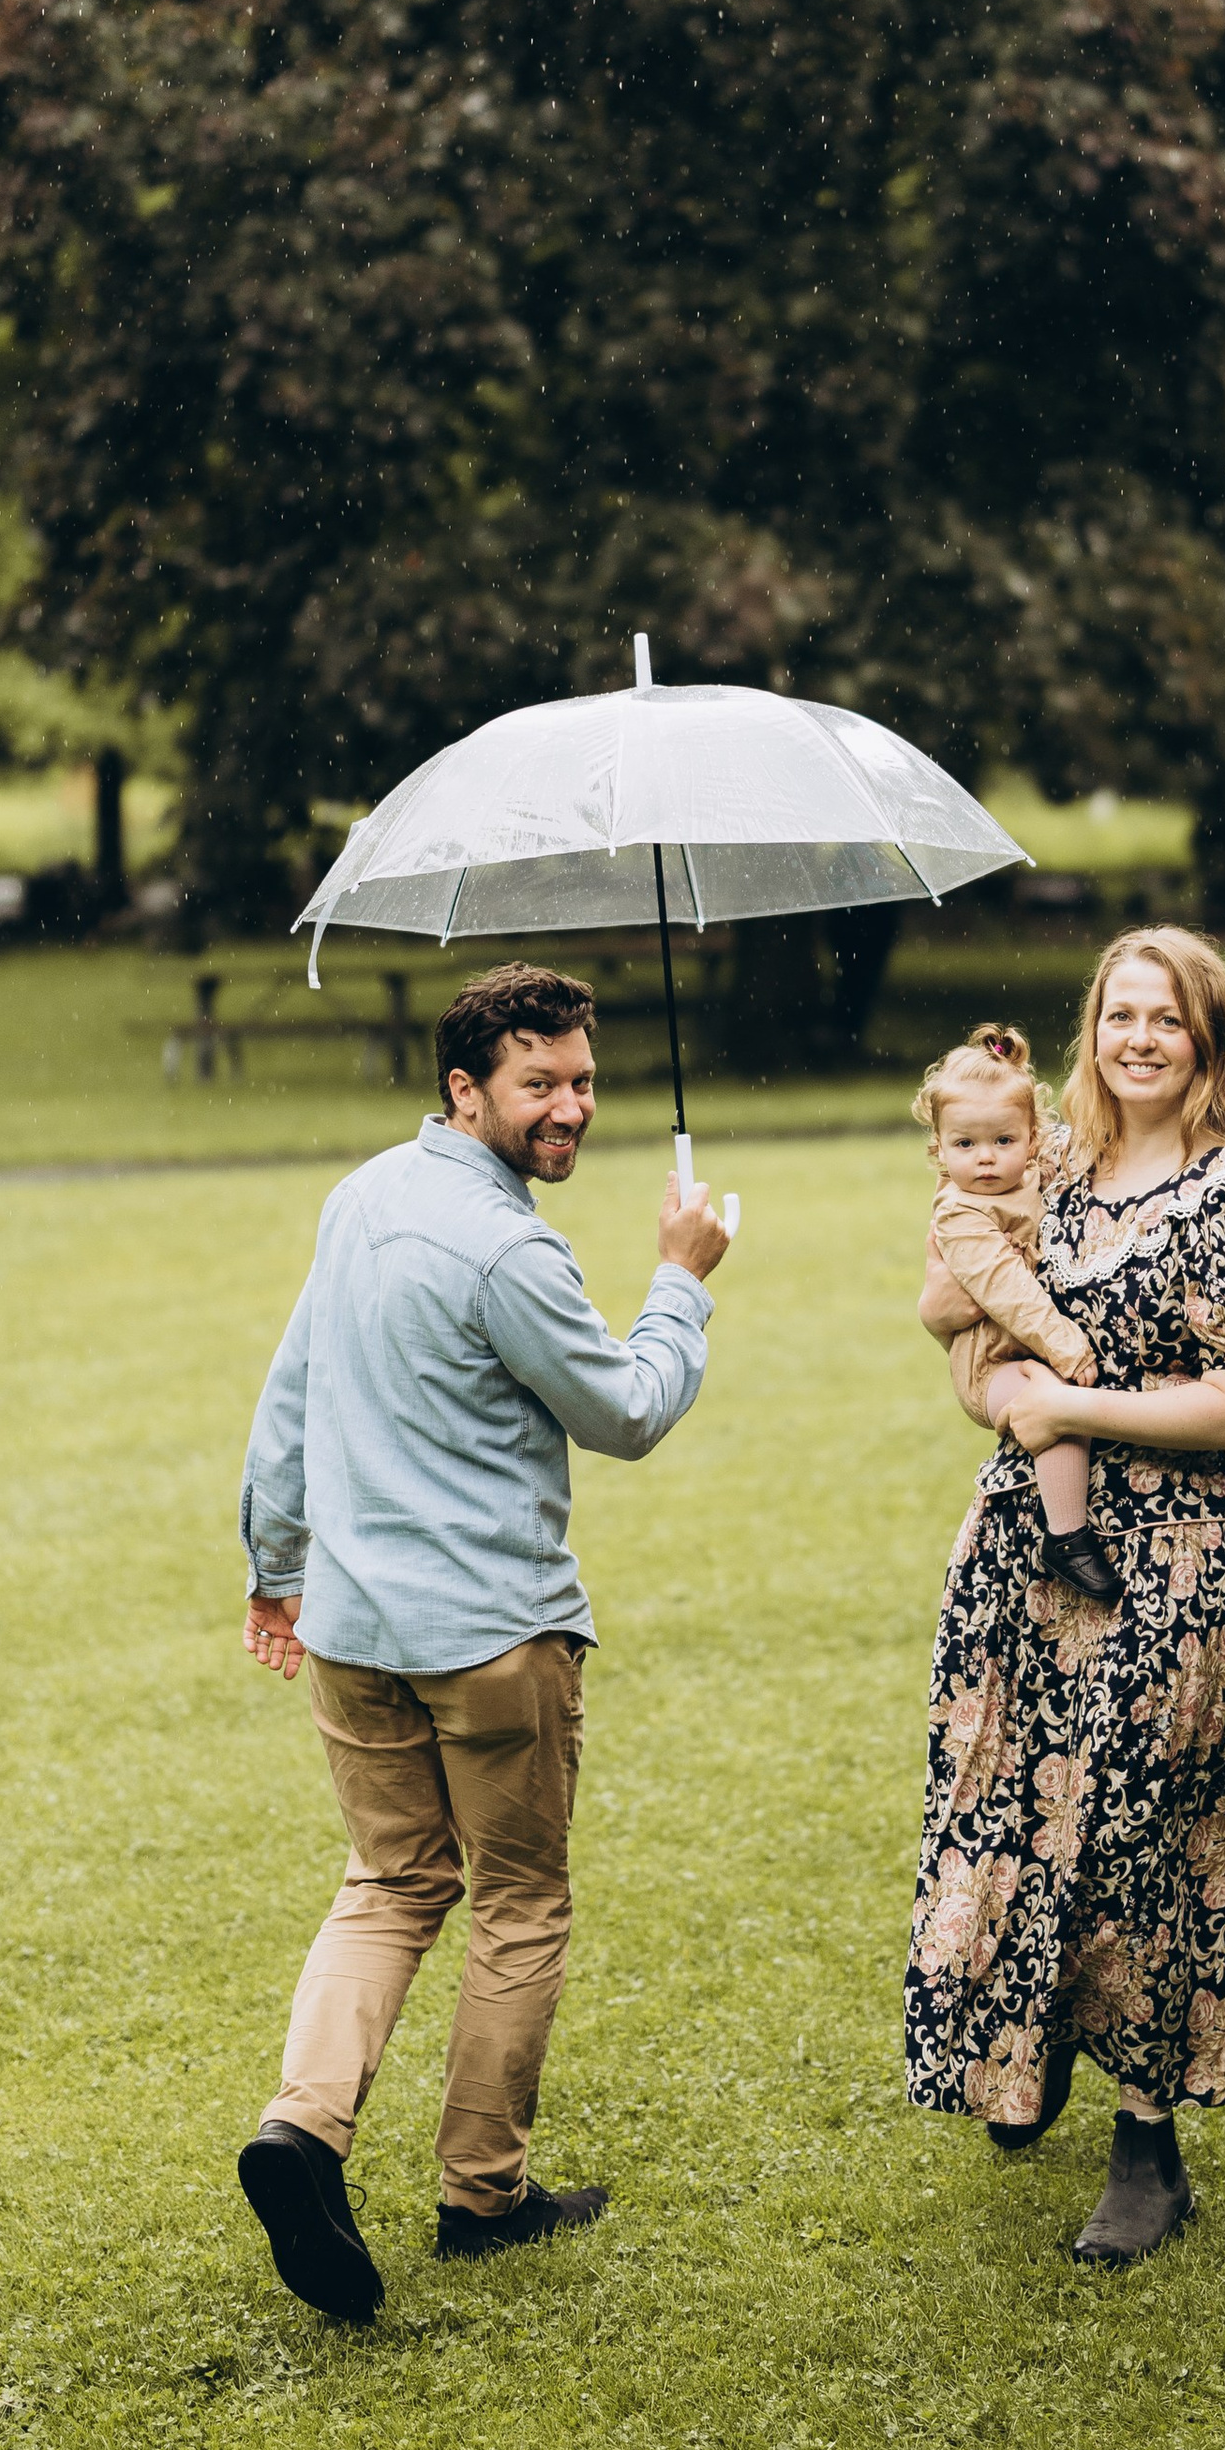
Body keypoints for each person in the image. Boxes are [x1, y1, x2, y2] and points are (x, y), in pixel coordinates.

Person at [234, 959, 731, 2321]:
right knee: (519, 1903)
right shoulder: (510, 1249)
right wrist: (681, 1283)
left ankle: (302, 2129)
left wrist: (274, 1567)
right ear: (467, 1088)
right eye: (540, 1085)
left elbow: (292, 1393)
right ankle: (481, 2198)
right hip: (492, 1640)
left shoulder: (361, 1199)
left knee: (392, 1882)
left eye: (582, 1079)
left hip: (348, 1628)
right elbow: (626, 1410)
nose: (569, 1107)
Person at [902, 925, 1225, 2268]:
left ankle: (1149, 2148)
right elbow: (948, 1304)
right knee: (1017, 1823)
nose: (1138, 1038)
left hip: (1173, 1565)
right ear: (1091, 1032)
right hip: (1026, 1558)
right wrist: (991, 1357)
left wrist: (1070, 1400)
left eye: (1167, 1018)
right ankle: (1021, 2059)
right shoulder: (1057, 1168)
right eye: (1117, 1015)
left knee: (1147, 1841)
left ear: (1208, 1041)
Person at [911, 1021, 1118, 1602]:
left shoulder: (1033, 1175)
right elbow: (1005, 1289)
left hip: (1030, 1347)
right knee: (1052, 1408)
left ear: (1033, 1138)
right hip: (990, 1365)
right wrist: (1065, 1344)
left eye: (1003, 1141)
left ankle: (1067, 1529)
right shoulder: (960, 1213)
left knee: (1060, 1401)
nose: (984, 1159)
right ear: (940, 1147)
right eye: (964, 1144)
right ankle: (1067, 1535)